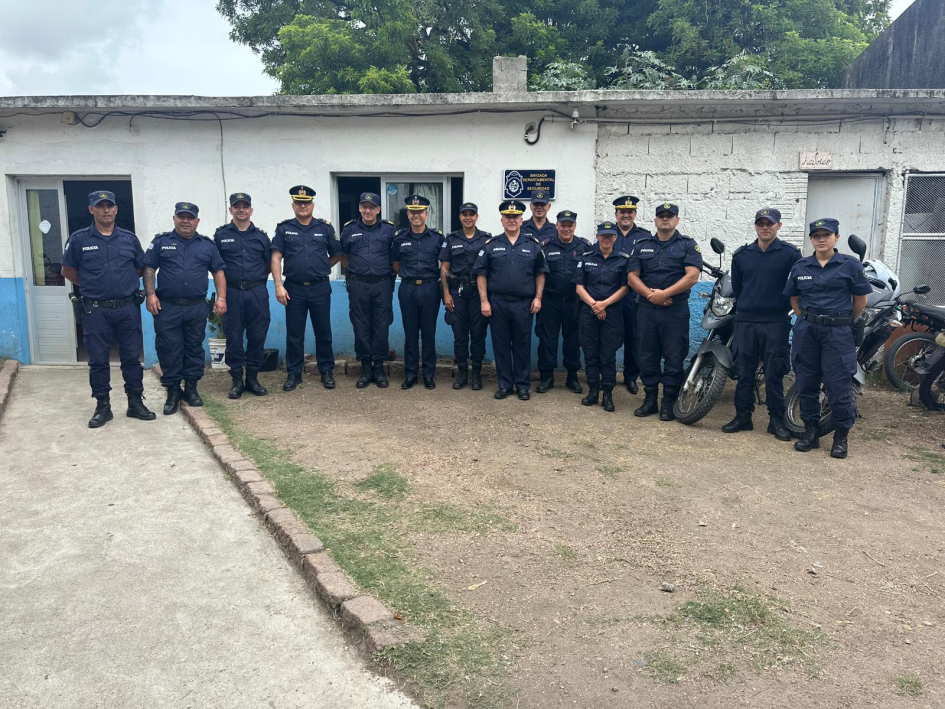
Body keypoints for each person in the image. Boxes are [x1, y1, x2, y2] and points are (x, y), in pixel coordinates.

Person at [61, 190, 155, 427]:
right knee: (98, 360)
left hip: (127, 308)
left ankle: (135, 403)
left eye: (109, 206)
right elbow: (68, 271)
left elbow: (139, 267)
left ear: (116, 209)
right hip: (95, 310)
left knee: (131, 358)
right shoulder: (80, 239)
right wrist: (93, 285)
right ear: (91, 210)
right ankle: (103, 407)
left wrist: (121, 284)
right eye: (100, 206)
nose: (105, 210)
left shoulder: (129, 239)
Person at [784, 218, 871, 458]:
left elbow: (860, 301)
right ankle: (811, 433)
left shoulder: (850, 265)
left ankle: (841, 438)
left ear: (837, 237)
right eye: (816, 235)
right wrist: (810, 320)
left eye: (826, 235)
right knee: (807, 384)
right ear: (811, 239)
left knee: (838, 386)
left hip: (838, 332)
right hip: (807, 331)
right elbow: (794, 300)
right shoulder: (801, 266)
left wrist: (840, 322)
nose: (821, 239)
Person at [722, 208, 801, 440]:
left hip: (775, 322)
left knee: (773, 373)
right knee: (744, 372)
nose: (765, 227)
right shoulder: (742, 255)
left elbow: (795, 287)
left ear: (779, 226)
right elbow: (738, 288)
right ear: (755, 226)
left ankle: (776, 420)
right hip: (746, 322)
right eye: (761, 223)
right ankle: (743, 416)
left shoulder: (790, 255)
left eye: (770, 223)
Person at [144, 202, 227, 415]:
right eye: (181, 216)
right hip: (167, 307)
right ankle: (173, 391)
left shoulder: (207, 245)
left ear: (197, 221)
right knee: (168, 348)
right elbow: (150, 267)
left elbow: (218, 271)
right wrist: (150, 294)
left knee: (193, 348)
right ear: (174, 218)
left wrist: (221, 298)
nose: (185, 221)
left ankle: (191, 389)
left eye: (190, 217)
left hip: (195, 307)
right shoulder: (161, 242)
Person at [627, 202, 703, 421]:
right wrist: (653, 296)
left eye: (670, 216)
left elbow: (692, 276)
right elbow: (632, 276)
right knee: (646, 354)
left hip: (675, 311)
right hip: (647, 310)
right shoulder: (642, 245)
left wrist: (665, 293)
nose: (665, 219)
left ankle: (668, 401)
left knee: (674, 354)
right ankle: (650, 398)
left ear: (677, 220)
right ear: (655, 220)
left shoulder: (687, 245)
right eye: (661, 216)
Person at [472, 200, 548, 400]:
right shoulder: (491, 245)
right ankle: (505, 385)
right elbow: (481, 274)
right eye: (508, 217)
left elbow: (540, 273)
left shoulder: (532, 245)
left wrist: (538, 298)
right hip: (498, 303)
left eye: (515, 217)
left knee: (522, 345)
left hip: (524, 304)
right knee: (501, 345)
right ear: (502, 220)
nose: (511, 220)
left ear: (521, 220)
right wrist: (484, 301)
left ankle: (522, 385)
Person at [271, 185, 340, 392]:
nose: (303, 206)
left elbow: (337, 254)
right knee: (294, 333)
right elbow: (276, 257)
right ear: (293, 205)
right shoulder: (284, 229)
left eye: (306, 203)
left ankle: (326, 371)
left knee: (323, 332)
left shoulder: (325, 228)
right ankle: (294, 374)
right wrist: (278, 286)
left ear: (312, 205)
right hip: (293, 288)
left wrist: (321, 267)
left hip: (320, 287)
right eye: (299, 203)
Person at [213, 192, 272, 399]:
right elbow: (216, 267)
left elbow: (268, 265)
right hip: (232, 292)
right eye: (236, 206)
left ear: (251, 210)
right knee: (234, 337)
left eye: (245, 206)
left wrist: (254, 282)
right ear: (230, 210)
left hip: (257, 292)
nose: (241, 209)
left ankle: (253, 378)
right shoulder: (220, 235)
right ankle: (237, 380)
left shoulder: (262, 237)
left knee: (257, 335)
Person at [340, 192, 396, 389]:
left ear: (378, 210)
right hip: (358, 284)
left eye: (372, 207)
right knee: (360, 324)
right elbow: (344, 256)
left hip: (382, 283)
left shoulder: (389, 229)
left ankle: (379, 368)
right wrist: (357, 272)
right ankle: (365, 368)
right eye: (364, 207)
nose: (368, 210)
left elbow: (394, 256)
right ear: (360, 209)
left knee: (381, 324)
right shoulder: (349, 229)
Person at [573, 221, 631, 411]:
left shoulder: (623, 259)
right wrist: (594, 305)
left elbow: (625, 288)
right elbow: (579, 287)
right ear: (597, 237)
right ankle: (592, 392)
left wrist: (604, 304)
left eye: (610, 236)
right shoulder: (586, 257)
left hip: (612, 312)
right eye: (603, 235)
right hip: (588, 311)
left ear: (615, 237)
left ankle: (607, 394)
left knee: (607, 356)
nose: (606, 239)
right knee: (590, 354)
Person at [390, 195, 443, 389]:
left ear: (426, 214)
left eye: (420, 212)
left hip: (430, 288)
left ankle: (428, 375)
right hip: (408, 288)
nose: (416, 215)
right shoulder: (400, 238)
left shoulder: (437, 238)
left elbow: (444, 264)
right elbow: (395, 264)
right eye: (412, 212)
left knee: (429, 334)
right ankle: (410, 374)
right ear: (408, 214)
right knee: (410, 334)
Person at [535, 209, 588, 394]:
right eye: (563, 225)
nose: (566, 229)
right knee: (547, 340)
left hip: (574, 302)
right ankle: (547, 377)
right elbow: (538, 273)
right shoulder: (545, 246)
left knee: (573, 340)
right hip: (550, 301)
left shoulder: (584, 247)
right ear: (556, 226)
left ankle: (572, 377)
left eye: (570, 225)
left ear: (575, 226)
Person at [440, 202, 490, 390]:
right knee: (460, 335)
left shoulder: (486, 240)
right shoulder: (451, 239)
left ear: (477, 216)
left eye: (471, 214)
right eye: (464, 214)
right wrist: (446, 294)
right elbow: (444, 268)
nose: (468, 217)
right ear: (460, 217)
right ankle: (462, 373)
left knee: (478, 334)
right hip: (457, 292)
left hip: (478, 292)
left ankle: (476, 374)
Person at [612, 195, 652, 395]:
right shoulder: (608, 233)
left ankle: (630, 377)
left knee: (633, 336)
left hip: (633, 296)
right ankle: (607, 375)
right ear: (616, 214)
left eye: (630, 212)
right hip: (611, 294)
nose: (626, 215)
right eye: (622, 212)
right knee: (609, 335)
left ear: (635, 214)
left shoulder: (645, 236)